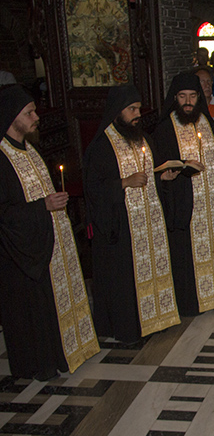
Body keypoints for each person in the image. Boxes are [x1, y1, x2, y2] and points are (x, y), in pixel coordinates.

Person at [0, 85, 99, 379]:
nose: (36, 117)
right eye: (28, 113)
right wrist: (42, 206)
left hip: (47, 238)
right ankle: (40, 364)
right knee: (32, 310)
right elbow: (3, 211)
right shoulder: (2, 158)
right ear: (10, 117)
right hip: (20, 251)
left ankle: (63, 352)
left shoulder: (30, 149)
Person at [83, 85, 180, 344]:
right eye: (132, 109)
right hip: (122, 226)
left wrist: (164, 178)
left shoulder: (143, 138)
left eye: (138, 108)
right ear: (117, 112)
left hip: (151, 223)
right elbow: (93, 188)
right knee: (126, 279)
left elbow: (152, 174)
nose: (138, 114)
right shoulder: (102, 146)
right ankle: (130, 327)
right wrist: (123, 183)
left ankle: (156, 318)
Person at [152, 73, 214, 316]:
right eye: (183, 97)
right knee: (186, 253)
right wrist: (180, 167)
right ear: (175, 98)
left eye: (193, 96)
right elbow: (159, 166)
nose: (188, 102)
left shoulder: (207, 122)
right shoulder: (165, 127)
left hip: (212, 201)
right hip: (185, 202)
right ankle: (192, 301)